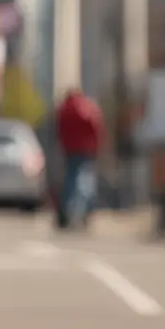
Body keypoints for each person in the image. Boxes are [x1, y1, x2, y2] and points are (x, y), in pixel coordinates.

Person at [55, 88, 104, 228]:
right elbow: (95, 125)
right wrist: (97, 145)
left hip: (70, 150)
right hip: (86, 150)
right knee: (85, 181)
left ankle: (69, 211)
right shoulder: (86, 106)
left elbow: (59, 130)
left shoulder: (64, 109)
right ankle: (83, 211)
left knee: (71, 180)